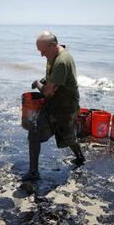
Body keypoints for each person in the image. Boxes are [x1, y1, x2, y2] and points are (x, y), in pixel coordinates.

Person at [22, 31, 85, 181]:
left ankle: (80, 157)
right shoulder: (53, 54)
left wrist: (37, 83)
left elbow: (48, 92)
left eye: (43, 51)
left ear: (53, 45)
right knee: (34, 134)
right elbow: (53, 76)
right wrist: (46, 79)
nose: (42, 55)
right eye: (40, 51)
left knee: (69, 138)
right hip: (52, 105)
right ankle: (33, 173)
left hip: (66, 107)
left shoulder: (62, 61)